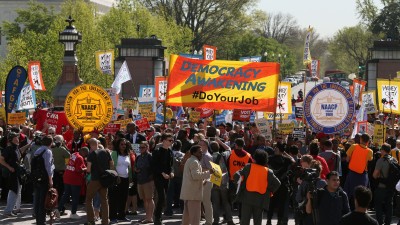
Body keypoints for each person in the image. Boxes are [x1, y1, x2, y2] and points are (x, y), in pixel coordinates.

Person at [234, 149, 281, 225]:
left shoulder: (248, 167)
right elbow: (278, 183)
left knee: (244, 222)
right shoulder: (268, 171)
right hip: (260, 200)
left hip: (247, 198)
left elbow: (236, 175)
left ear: (254, 159)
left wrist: (241, 185)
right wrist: (269, 192)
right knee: (258, 222)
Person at [180, 145, 214, 225]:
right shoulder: (194, 162)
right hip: (193, 194)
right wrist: (209, 172)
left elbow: (192, 177)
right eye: (199, 152)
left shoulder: (190, 160)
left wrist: (202, 182)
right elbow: (196, 176)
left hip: (189, 193)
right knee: (195, 218)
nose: (201, 154)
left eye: (201, 152)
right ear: (194, 153)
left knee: (187, 217)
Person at [0, 132, 31, 217]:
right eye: (15, 138)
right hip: (12, 173)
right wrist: (9, 167)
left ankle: (10, 209)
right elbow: (1, 159)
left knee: (16, 191)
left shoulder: (16, 148)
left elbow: (20, 151)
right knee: (14, 191)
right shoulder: (8, 149)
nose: (17, 139)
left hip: (17, 172)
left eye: (17, 138)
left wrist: (28, 145)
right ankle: (8, 211)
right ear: (11, 139)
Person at [85, 138, 114, 225]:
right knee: (104, 200)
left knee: (88, 199)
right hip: (104, 179)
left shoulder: (91, 154)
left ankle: (91, 220)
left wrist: (87, 175)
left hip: (95, 179)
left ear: (90, 145)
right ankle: (105, 221)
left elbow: (89, 169)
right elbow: (111, 164)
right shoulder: (106, 152)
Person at [267, 142, 294, 225]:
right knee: (281, 204)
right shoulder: (287, 160)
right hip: (283, 184)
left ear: (278, 149)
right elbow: (293, 161)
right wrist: (284, 153)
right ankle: (279, 220)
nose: (274, 149)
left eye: (276, 148)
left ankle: (269, 220)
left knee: (271, 203)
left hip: (272, 185)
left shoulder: (270, 158)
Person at [344, 134, 373, 209]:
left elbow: (347, 159)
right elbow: (370, 159)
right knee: (361, 194)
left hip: (352, 174)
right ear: (368, 142)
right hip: (362, 176)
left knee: (349, 193)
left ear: (360, 139)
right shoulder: (370, 151)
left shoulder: (353, 146)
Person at [57, 146, 88, 219]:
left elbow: (68, 163)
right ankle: (73, 213)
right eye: (85, 154)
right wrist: (87, 168)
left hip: (67, 177)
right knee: (75, 197)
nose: (85, 156)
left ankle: (58, 210)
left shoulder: (73, 154)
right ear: (83, 152)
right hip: (75, 179)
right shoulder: (80, 158)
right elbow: (78, 170)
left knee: (66, 195)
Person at [152, 133, 174, 225]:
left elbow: (171, 165)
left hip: (167, 177)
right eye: (169, 140)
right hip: (158, 177)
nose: (171, 142)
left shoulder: (170, 151)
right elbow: (154, 165)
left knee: (163, 198)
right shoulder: (157, 151)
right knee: (161, 197)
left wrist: (171, 172)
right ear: (164, 140)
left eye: (172, 140)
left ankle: (158, 216)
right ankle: (157, 217)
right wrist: (162, 173)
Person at [109, 138, 133, 223]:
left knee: (124, 198)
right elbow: (112, 165)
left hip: (125, 179)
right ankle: (113, 217)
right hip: (116, 179)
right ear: (118, 145)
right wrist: (116, 176)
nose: (123, 146)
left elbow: (129, 167)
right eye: (121, 144)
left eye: (124, 144)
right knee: (114, 198)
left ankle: (121, 216)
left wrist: (130, 177)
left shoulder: (128, 154)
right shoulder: (114, 153)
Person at [372, 143, 397, 225]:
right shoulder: (394, 160)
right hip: (391, 187)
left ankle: (380, 222)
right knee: (389, 205)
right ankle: (387, 223)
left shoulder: (380, 161)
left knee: (378, 205)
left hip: (381, 187)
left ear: (383, 150)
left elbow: (375, 175)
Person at [33, 135, 55, 225]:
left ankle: (38, 220)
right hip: (44, 178)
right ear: (50, 142)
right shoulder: (48, 151)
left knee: (37, 199)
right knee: (43, 200)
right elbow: (48, 167)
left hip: (37, 177)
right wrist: (50, 180)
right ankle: (41, 221)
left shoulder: (38, 150)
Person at [135, 141, 155, 224]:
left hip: (148, 181)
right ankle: (147, 216)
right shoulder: (139, 157)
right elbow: (135, 166)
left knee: (149, 199)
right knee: (144, 200)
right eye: (140, 147)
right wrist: (136, 169)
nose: (141, 149)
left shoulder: (150, 156)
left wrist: (151, 176)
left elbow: (154, 168)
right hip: (140, 180)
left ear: (147, 147)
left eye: (142, 147)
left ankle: (150, 218)